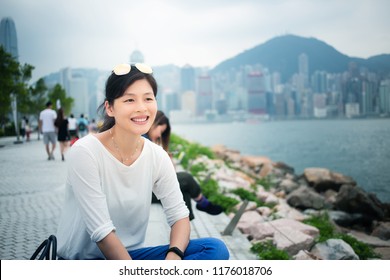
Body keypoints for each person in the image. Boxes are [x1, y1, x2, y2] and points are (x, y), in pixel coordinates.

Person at [56, 63, 229, 260]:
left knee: (214, 248)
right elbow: (102, 233)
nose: (141, 108)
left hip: (133, 256)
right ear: (110, 108)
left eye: (148, 98)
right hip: (86, 260)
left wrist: (174, 256)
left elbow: (180, 216)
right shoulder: (85, 152)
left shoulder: (157, 155)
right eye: (129, 100)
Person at [146, 111, 223, 220]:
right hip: (146, 191)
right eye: (160, 130)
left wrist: (167, 159)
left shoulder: (151, 144)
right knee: (186, 178)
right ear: (153, 124)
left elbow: (169, 174)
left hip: (152, 188)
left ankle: (187, 227)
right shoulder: (144, 142)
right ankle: (203, 203)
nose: (159, 135)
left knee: (184, 191)